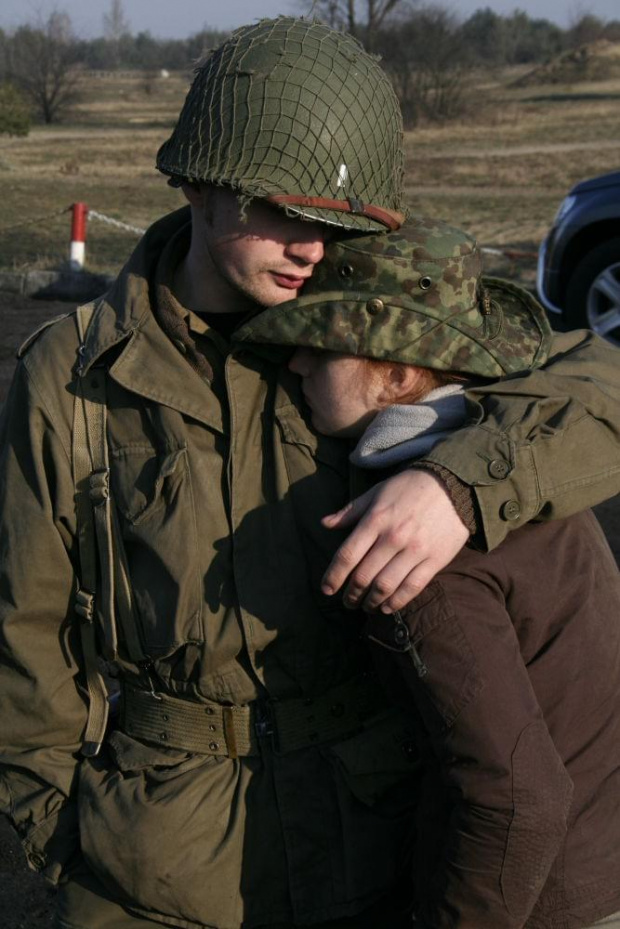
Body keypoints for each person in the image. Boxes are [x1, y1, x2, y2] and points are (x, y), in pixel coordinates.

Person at [0, 16, 619, 929]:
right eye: (284, 212)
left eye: (338, 223)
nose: (311, 248)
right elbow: (25, 644)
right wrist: (63, 842)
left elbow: (602, 378)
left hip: (376, 852)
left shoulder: (365, 331)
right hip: (155, 874)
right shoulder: (73, 374)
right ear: (201, 185)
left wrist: (461, 483)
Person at [237, 218, 620, 929]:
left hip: (550, 903)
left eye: (321, 347)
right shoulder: (524, 471)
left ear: (397, 374)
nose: (294, 366)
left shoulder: (414, 549)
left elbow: (515, 800)